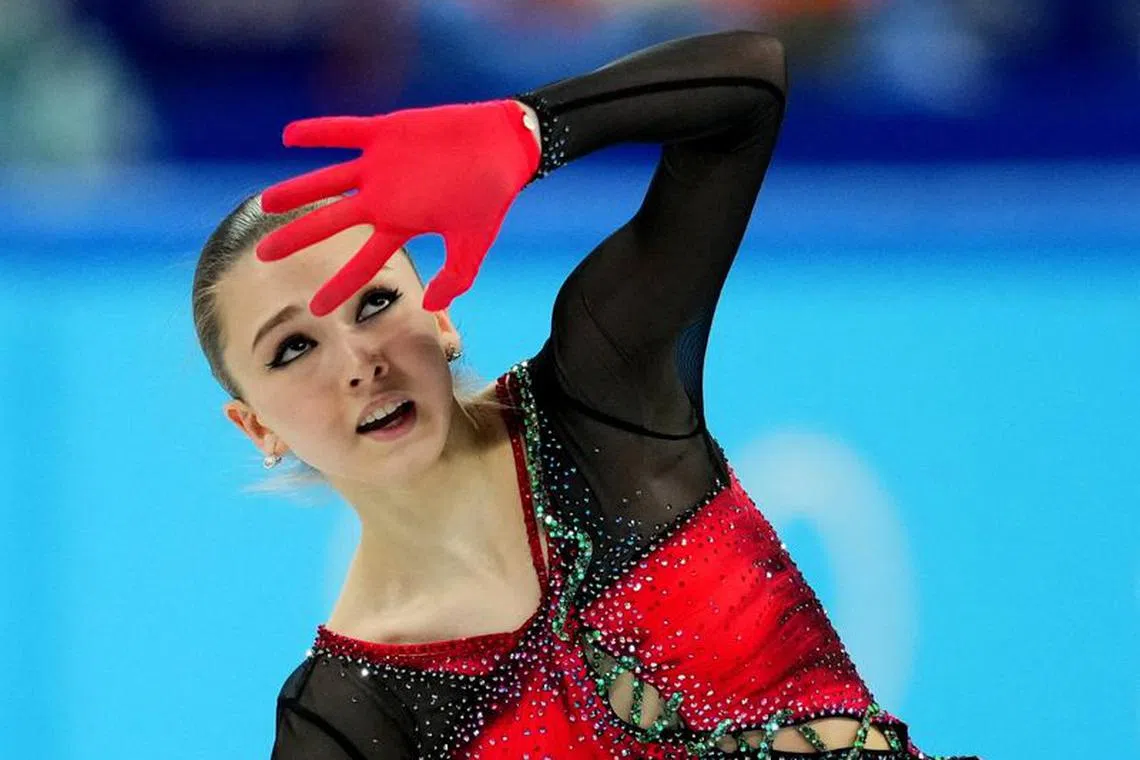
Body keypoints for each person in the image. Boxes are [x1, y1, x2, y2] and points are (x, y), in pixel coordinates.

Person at [192, 29, 979, 760]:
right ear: (258, 426)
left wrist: (530, 130)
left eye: (374, 302)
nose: (359, 361)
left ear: (440, 312)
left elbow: (750, 89)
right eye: (295, 348)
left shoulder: (604, 391)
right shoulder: (346, 718)